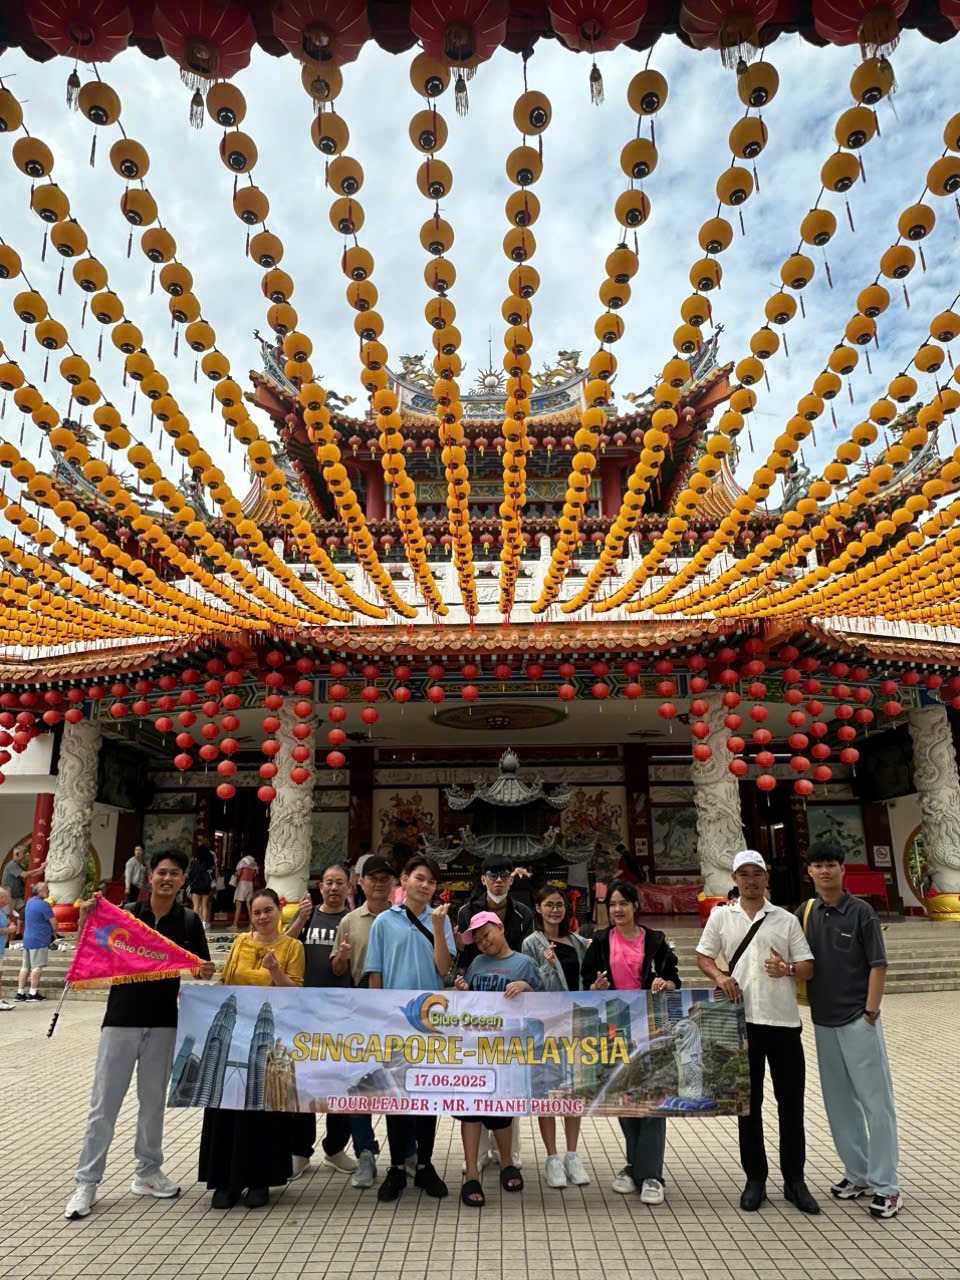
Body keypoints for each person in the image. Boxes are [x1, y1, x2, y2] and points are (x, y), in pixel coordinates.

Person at [65, 851, 215, 1220]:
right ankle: (87, 1181)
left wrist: (204, 970)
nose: (167, 878)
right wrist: (86, 918)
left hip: (164, 1023)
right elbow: (93, 949)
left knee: (152, 1106)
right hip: (120, 1020)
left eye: (174, 874)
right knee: (104, 1106)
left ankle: (147, 1172)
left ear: (183, 881)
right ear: (150, 877)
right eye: (161, 872)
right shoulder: (125, 915)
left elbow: (200, 969)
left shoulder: (188, 920)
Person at [695, 849, 819, 1216]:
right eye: (743, 874)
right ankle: (755, 1179)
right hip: (742, 1023)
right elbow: (703, 956)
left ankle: (795, 1180)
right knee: (749, 1107)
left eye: (757, 873)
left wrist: (788, 970)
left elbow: (808, 967)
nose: (750, 880)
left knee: (791, 1104)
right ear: (734, 879)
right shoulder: (721, 917)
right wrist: (719, 976)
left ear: (766, 878)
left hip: (783, 1024)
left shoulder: (785, 920)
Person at [800, 841, 901, 1219]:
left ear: (843, 870)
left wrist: (871, 1012)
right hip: (823, 1022)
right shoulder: (806, 912)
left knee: (877, 1105)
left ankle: (887, 1185)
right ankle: (858, 1174)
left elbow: (879, 964)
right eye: (818, 865)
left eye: (831, 864)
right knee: (839, 1105)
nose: (825, 871)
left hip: (859, 1020)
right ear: (809, 871)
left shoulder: (861, 913)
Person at [199, 888, 303, 1208]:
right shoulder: (240, 943)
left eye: (268, 910)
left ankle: (260, 1180)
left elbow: (298, 992)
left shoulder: (293, 947)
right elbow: (226, 983)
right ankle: (226, 1181)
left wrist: (274, 970)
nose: (262, 917)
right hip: (235, 1033)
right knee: (227, 1105)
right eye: (256, 912)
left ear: (279, 912)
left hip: (270, 1036)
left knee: (263, 1105)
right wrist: (200, 995)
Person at [581, 879, 680, 1205]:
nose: (618, 909)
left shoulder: (655, 940)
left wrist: (666, 982)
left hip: (650, 1026)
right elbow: (587, 982)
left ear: (636, 906)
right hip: (615, 1027)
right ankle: (636, 1166)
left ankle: (651, 1175)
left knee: (653, 1096)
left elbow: (673, 977)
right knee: (625, 1096)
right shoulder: (599, 941)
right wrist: (594, 989)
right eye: (612, 905)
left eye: (623, 903)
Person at [365, 854, 454, 1203]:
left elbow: (444, 968)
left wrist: (437, 928)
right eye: (419, 878)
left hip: (430, 1022)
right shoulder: (384, 922)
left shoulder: (441, 921)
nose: (425, 885)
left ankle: (425, 1164)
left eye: (431, 881)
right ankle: (398, 1165)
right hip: (393, 1020)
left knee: (427, 1092)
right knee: (395, 1093)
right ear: (404, 881)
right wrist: (376, 1017)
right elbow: (375, 974)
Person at [285, 862, 376, 1182]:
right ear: (320, 887)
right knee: (303, 1081)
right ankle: (299, 1150)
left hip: (344, 1013)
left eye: (340, 882)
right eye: (328, 882)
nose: (334, 888)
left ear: (350, 887)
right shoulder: (308, 918)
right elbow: (282, 949)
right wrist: (300, 919)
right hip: (305, 1012)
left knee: (342, 1081)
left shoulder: (353, 921)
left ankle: (336, 1146)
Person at [454, 911, 542, 1206]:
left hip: (507, 1053)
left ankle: (507, 1163)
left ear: (501, 928)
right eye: (477, 939)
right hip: (474, 1051)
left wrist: (528, 989)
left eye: (486, 933)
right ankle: (472, 1177)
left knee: (500, 1110)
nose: (482, 942)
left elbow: (548, 1005)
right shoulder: (476, 964)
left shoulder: (525, 964)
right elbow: (468, 1002)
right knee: (469, 1110)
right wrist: (463, 989)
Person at [457, 857, 534, 1168]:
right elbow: (463, 958)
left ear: (511, 879)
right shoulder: (466, 911)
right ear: (483, 878)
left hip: (512, 1009)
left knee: (507, 1088)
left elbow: (528, 957)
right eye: (493, 875)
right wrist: (462, 985)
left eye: (504, 875)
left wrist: (524, 984)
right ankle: (475, 1156)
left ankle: (508, 1156)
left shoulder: (523, 913)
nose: (498, 880)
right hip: (478, 1008)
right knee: (475, 1085)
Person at [521, 885, 591, 1188]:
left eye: (559, 905)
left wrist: (596, 988)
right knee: (547, 1089)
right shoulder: (531, 943)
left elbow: (585, 980)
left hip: (574, 1024)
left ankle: (572, 1154)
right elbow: (528, 984)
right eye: (548, 904)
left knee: (573, 1089)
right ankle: (551, 1157)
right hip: (544, 1029)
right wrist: (546, 966)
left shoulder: (578, 942)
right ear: (538, 908)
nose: (554, 910)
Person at [17, 881, 57, 1002]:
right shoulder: (44, 905)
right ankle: (33, 992)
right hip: (39, 939)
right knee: (37, 967)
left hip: (28, 938)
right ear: (40, 891)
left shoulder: (29, 902)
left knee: (25, 967)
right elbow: (54, 923)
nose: (48, 891)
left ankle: (20, 992)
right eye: (46, 889)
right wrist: (54, 933)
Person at [2, 848, 45, 915]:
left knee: (24, 912)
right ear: (17, 854)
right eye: (23, 854)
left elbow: (29, 875)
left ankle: (19, 925)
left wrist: (40, 870)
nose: (25, 855)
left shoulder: (17, 865)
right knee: (6, 915)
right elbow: (24, 874)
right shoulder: (11, 865)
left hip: (16, 895)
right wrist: (39, 869)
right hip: (9, 895)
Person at [186, 841, 216, 928]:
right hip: (206, 886)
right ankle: (204, 923)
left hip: (196, 886)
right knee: (204, 905)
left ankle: (195, 923)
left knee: (196, 905)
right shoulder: (209, 863)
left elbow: (190, 874)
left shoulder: (195, 863)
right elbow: (213, 875)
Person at [231, 853, 258, 929]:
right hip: (250, 884)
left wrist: (235, 875)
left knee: (238, 904)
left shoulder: (242, 862)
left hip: (242, 884)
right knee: (249, 904)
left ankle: (235, 924)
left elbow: (238, 873)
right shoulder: (254, 864)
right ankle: (251, 924)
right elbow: (255, 876)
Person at [0, 885, 16, 1010]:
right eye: (8, 897)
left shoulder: (2, 911)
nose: (10, 899)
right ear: (1, 898)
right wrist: (9, 929)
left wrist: (9, 923)